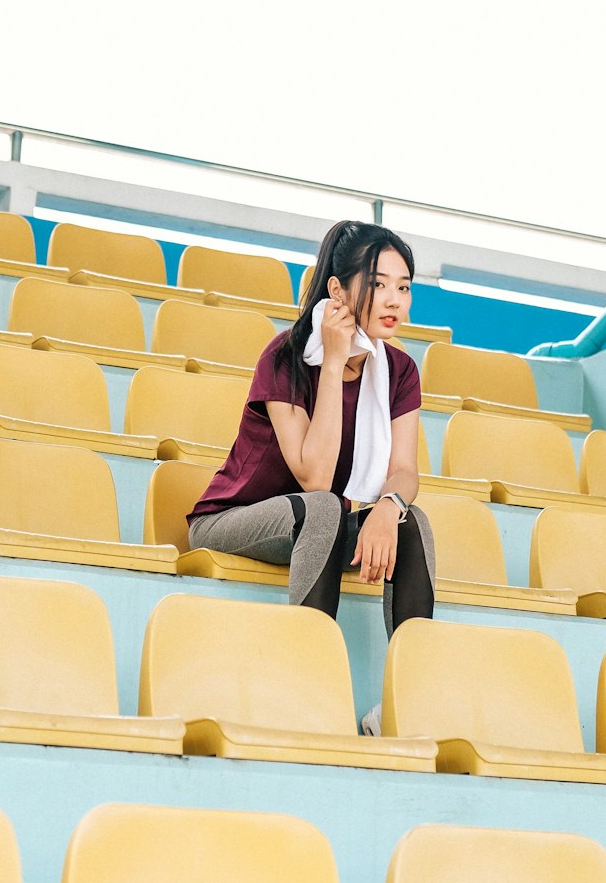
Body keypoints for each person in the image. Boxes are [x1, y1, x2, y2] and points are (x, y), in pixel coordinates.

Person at [186, 219, 435, 656]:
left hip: (322, 527)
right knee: (323, 507)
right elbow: (316, 477)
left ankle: (408, 700)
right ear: (337, 291)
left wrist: (388, 507)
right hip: (233, 520)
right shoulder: (286, 355)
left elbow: (404, 471)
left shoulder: (400, 371)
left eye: (405, 287)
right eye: (378, 285)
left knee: (411, 521)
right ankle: (310, 680)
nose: (395, 300)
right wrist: (335, 363)